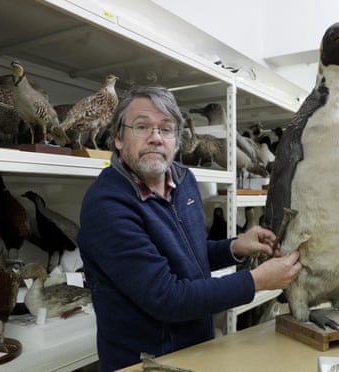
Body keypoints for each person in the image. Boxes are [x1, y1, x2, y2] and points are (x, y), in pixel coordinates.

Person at [78, 86, 302, 371]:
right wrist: (257, 281)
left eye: (166, 129)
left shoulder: (184, 181)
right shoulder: (107, 205)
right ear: (119, 139)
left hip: (197, 351)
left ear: (176, 139)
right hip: (146, 362)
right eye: (142, 126)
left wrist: (233, 248)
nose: (156, 138)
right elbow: (167, 297)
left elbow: (186, 252)